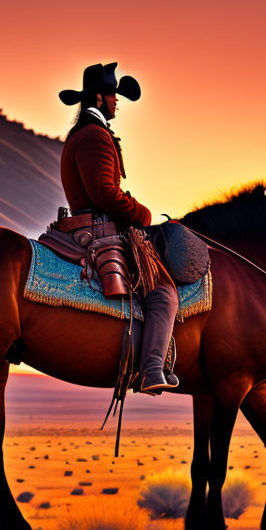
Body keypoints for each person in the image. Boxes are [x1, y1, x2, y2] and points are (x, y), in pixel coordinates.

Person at [58, 63, 179, 394]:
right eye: (113, 96)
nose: (117, 102)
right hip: (101, 228)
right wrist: (142, 214)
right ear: (100, 97)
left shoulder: (82, 135)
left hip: (86, 222)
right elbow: (105, 194)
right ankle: (153, 368)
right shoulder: (96, 136)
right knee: (164, 293)